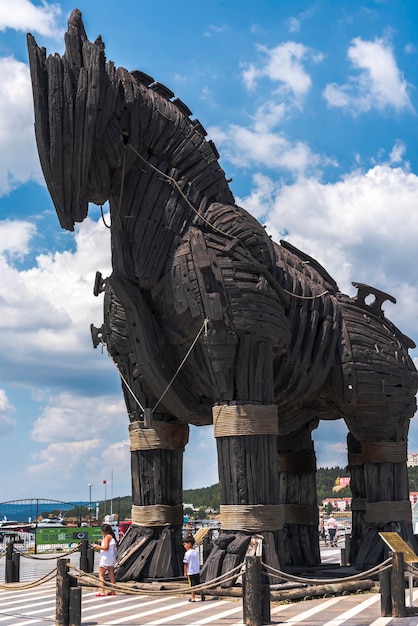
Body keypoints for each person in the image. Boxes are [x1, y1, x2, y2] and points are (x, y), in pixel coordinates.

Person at [92, 523, 118, 596]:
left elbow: (106, 548)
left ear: (104, 531)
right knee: (111, 574)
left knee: (101, 574)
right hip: (111, 558)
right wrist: (102, 541)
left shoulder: (107, 537)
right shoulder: (111, 537)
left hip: (106, 558)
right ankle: (113, 590)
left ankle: (102, 591)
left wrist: (97, 546)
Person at [183, 535, 200, 602]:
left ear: (189, 544)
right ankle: (202, 593)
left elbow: (185, 563)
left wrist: (185, 572)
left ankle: (193, 597)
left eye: (185, 544)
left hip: (190, 571)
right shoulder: (196, 552)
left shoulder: (187, 553)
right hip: (196, 570)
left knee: (192, 585)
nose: (184, 546)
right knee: (198, 584)